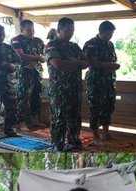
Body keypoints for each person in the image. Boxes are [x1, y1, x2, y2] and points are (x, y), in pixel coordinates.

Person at [45, 18, 88, 151]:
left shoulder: (74, 46)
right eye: (68, 30)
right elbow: (57, 64)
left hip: (75, 88)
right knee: (59, 117)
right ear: (59, 30)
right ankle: (57, 145)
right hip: (59, 90)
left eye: (72, 31)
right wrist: (77, 63)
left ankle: (74, 139)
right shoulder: (51, 46)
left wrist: (71, 64)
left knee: (75, 116)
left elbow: (86, 62)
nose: (71, 33)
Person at [83, 21, 121, 145]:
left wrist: (111, 66)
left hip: (109, 81)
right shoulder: (91, 44)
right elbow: (92, 63)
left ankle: (106, 133)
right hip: (96, 81)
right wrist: (110, 66)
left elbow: (112, 60)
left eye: (112, 34)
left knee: (108, 106)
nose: (110, 37)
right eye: (108, 34)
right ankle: (95, 135)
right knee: (95, 107)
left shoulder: (110, 44)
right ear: (101, 32)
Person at [11, 19, 46, 131]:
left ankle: (35, 119)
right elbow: (21, 55)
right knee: (23, 98)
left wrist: (38, 60)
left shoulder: (38, 41)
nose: (31, 32)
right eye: (28, 30)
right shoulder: (16, 40)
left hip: (36, 73)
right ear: (22, 30)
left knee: (36, 96)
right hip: (23, 73)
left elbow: (46, 56)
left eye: (32, 29)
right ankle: (21, 123)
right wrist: (38, 58)